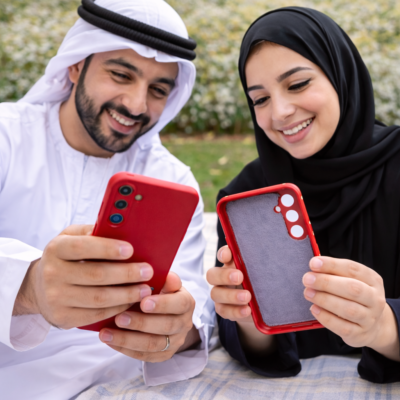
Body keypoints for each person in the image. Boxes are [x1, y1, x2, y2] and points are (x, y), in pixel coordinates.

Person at [0, 0, 215, 398]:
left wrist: (176, 328)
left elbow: (194, 310)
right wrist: (29, 288)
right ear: (76, 66)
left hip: (122, 381)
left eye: (157, 90)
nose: (136, 105)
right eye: (120, 75)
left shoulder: (171, 179)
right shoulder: (6, 138)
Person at [207, 7, 400, 383]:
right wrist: (248, 319)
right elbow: (252, 342)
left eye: (296, 84)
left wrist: (383, 327)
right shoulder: (248, 196)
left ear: (340, 74)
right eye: (260, 99)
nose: (279, 112)